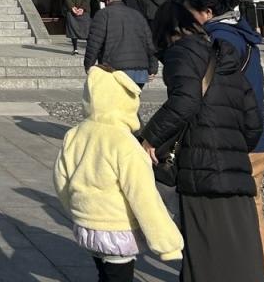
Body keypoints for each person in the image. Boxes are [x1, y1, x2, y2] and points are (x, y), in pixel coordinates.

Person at [140, 0, 264, 282]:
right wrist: (230, 148)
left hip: (201, 172)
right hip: (236, 175)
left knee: (204, 255)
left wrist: (149, 138)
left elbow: (185, 102)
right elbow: (253, 122)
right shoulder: (224, 55)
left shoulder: (180, 54)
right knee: (241, 257)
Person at [182, 0, 264, 282]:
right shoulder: (241, 33)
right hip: (252, 134)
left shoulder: (221, 40)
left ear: (208, 11)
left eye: (191, 14)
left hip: (236, 139)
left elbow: (210, 89)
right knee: (252, 209)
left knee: (243, 214)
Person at [54, 66, 184, 281]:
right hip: (117, 228)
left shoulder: (74, 135)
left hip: (87, 225)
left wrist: (76, 211)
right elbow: (144, 197)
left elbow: (61, 180)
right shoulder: (124, 143)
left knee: (104, 274)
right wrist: (166, 243)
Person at [83, 0, 157, 88]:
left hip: (114, 69)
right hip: (140, 70)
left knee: (116, 102)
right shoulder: (137, 15)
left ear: (107, 0)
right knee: (133, 102)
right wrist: (153, 68)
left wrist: (88, 66)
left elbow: (94, 43)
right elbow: (149, 43)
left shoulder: (103, 14)